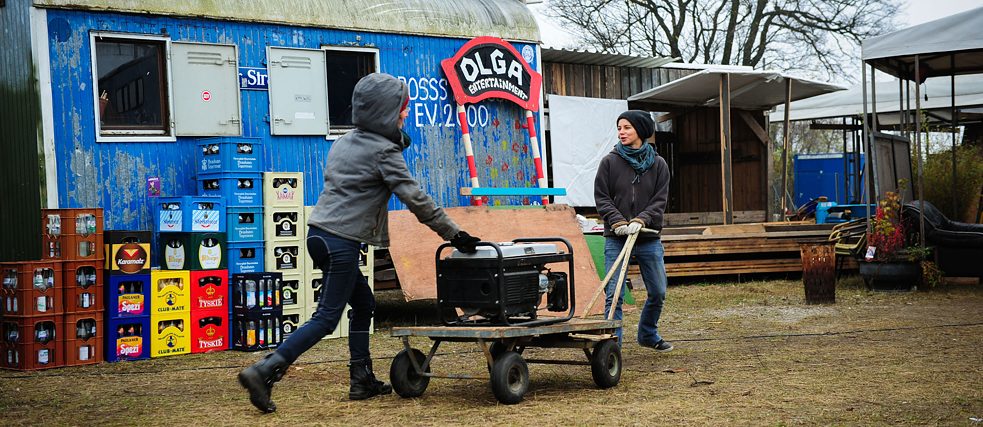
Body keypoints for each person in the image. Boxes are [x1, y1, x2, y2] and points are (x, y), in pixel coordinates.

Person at [238, 73, 481, 413]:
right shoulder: (383, 152)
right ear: (385, 111)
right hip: (340, 242)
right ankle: (265, 369)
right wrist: (454, 234)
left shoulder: (345, 141)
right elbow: (415, 198)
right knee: (325, 318)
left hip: (320, 235)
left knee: (364, 303)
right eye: (402, 108)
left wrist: (397, 139)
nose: (406, 113)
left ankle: (361, 378)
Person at [593, 110, 673, 352]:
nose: (621, 132)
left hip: (647, 235)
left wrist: (641, 219)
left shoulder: (658, 165)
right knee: (614, 292)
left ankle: (648, 334)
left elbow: (660, 200)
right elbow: (602, 197)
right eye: (619, 128)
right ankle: (612, 346)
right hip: (616, 237)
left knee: (658, 291)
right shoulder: (609, 161)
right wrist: (618, 222)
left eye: (627, 127)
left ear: (640, 130)